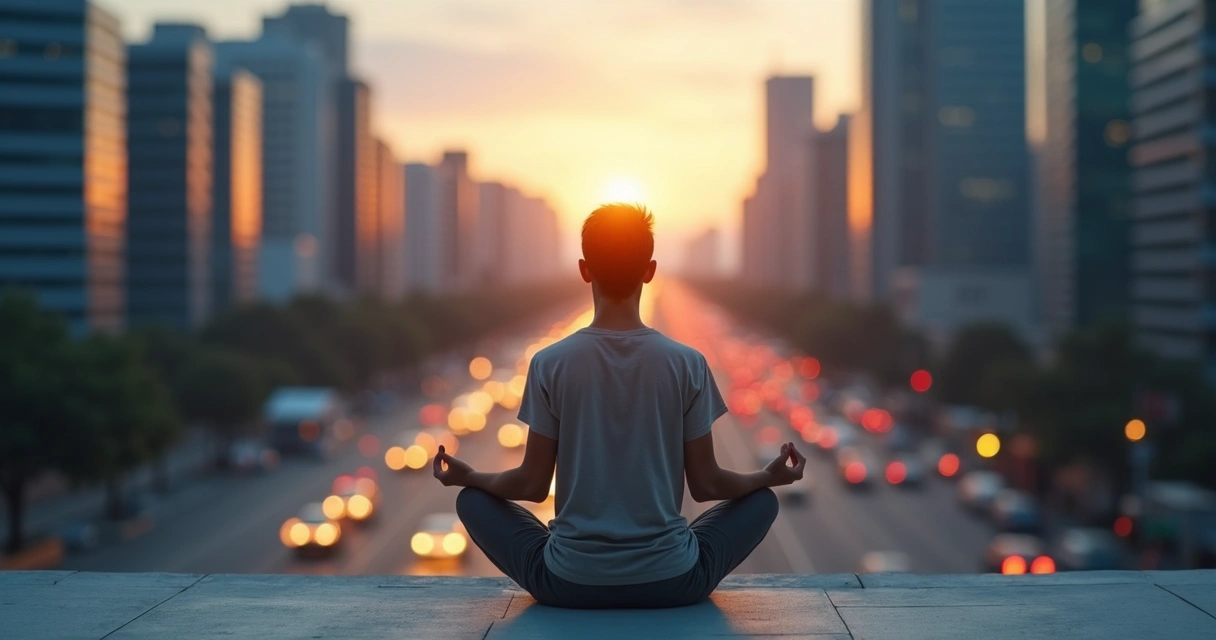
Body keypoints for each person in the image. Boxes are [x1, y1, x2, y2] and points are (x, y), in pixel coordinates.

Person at [432, 203, 807, 609]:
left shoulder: (549, 363)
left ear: (584, 269)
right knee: (762, 500)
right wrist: (767, 477)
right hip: (674, 582)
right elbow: (707, 485)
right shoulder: (687, 363)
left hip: (567, 584)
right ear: (650, 270)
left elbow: (531, 484)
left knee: (470, 499)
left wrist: (469, 476)